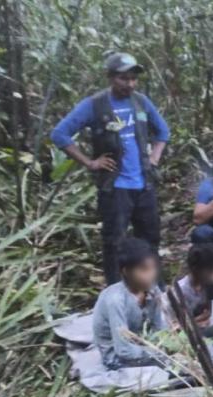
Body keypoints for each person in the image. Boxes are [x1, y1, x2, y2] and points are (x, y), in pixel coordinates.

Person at [51, 52, 170, 285]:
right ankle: (117, 292)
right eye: (124, 78)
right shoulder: (94, 105)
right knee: (114, 242)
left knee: (150, 239)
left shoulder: (141, 102)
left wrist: (154, 158)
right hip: (115, 188)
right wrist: (90, 162)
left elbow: (163, 132)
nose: (130, 84)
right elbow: (60, 134)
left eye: (133, 79)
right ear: (110, 77)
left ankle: (156, 290)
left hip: (144, 184)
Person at [92, 238, 165, 369]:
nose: (151, 274)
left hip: (143, 345)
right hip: (117, 357)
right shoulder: (116, 300)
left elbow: (159, 327)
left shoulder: (153, 290)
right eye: (144, 269)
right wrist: (157, 353)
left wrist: (165, 344)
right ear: (126, 271)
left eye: (153, 268)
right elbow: (123, 350)